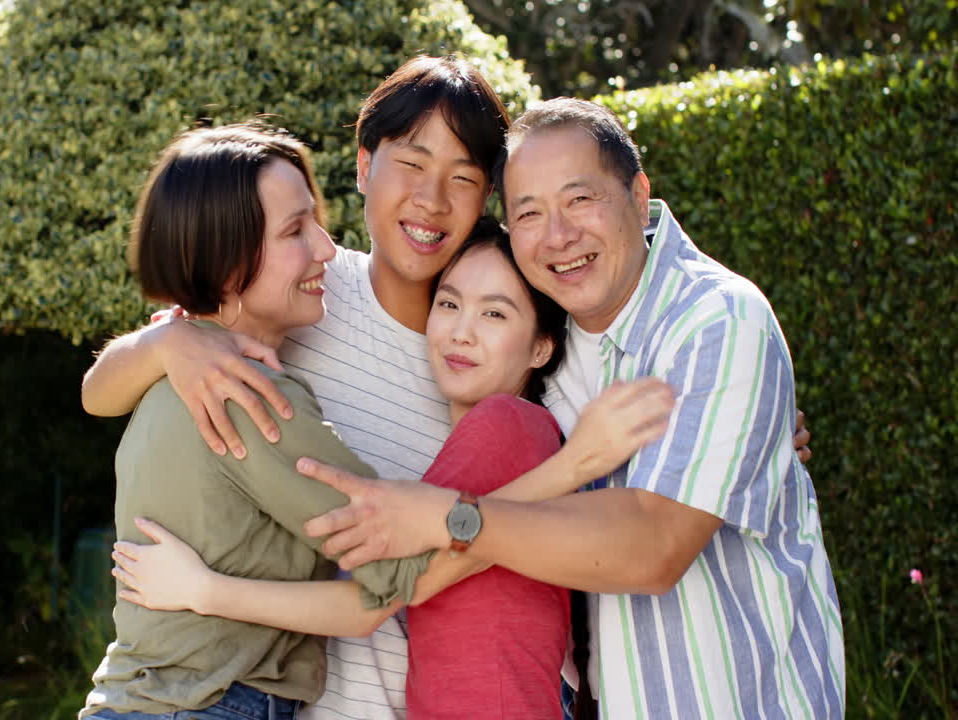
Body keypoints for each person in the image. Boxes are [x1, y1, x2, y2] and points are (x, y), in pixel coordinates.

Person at [82, 56, 814, 720]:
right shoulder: (299, 296)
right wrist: (170, 341)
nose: (432, 200)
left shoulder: (514, 365)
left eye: (464, 178)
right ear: (365, 166)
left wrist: (743, 436)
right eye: (412, 164)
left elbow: (618, 489)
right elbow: (103, 388)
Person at [296, 98, 846, 718]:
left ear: (638, 195)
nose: (557, 235)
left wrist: (451, 518)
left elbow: (654, 547)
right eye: (529, 212)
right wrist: (186, 334)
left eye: (580, 200)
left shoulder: (715, 319)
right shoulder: (562, 354)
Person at [109, 219, 675, 719]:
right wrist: (167, 338)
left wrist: (204, 591)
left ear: (540, 349)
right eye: (449, 304)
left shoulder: (504, 424)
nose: (460, 331)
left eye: (495, 314)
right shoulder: (476, 446)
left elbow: (393, 589)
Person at [78, 123, 440, 720]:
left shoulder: (170, 370)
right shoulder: (250, 397)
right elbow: (395, 572)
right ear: (226, 267)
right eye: (296, 230)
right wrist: (526, 502)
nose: (326, 248)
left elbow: (96, 392)